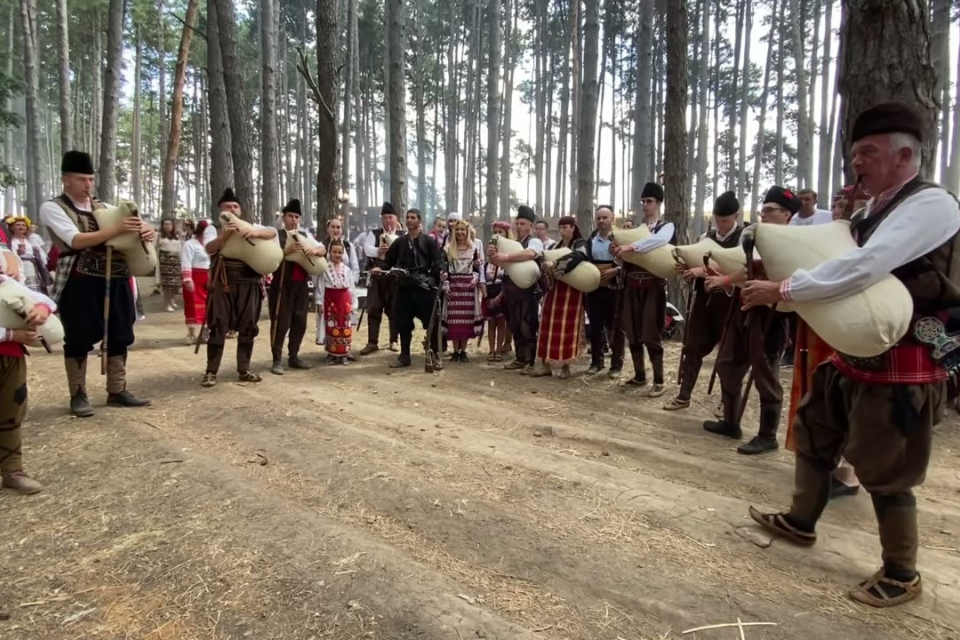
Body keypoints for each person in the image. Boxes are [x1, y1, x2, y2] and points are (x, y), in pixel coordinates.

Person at [743, 103, 960, 607]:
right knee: (815, 429)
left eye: (867, 152)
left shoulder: (933, 204)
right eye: (855, 153)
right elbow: (843, 255)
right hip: (856, 351)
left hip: (905, 355)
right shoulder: (871, 210)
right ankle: (801, 520)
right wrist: (841, 224)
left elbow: (867, 265)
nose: (856, 163)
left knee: (886, 465)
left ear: (904, 153)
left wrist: (786, 289)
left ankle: (902, 572)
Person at [39, 150, 154, 417]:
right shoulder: (54, 207)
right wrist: (118, 229)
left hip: (117, 277)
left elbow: (135, 232)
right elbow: (75, 240)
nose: (88, 185)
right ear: (65, 179)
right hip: (80, 280)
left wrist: (148, 231)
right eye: (81, 179)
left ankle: (117, 389)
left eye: (90, 179)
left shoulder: (105, 208)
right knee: (78, 336)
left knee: (120, 333)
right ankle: (78, 395)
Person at [701, 186, 795, 454]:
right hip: (743, 310)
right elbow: (747, 270)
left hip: (772, 315)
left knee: (765, 374)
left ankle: (767, 436)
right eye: (762, 209)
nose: (762, 214)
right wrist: (725, 280)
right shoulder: (757, 237)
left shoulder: (795, 242)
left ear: (787, 214)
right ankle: (731, 423)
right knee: (727, 365)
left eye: (769, 210)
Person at [664, 192, 744, 411]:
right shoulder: (705, 238)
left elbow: (742, 267)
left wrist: (704, 269)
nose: (720, 223)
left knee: (728, 355)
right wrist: (688, 269)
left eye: (725, 219)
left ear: (736, 215)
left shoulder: (744, 237)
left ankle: (726, 403)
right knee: (692, 347)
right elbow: (694, 263)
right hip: (704, 301)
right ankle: (684, 395)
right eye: (717, 218)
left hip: (730, 303)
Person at [201, 188, 277, 387]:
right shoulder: (213, 228)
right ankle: (211, 371)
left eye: (235, 206)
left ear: (240, 210)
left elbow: (272, 232)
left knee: (248, 327)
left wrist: (253, 232)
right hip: (223, 283)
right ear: (220, 210)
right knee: (217, 326)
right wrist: (224, 237)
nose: (232, 209)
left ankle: (244, 369)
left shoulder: (251, 226)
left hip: (249, 284)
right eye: (228, 206)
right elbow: (209, 249)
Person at [611, 182, 675, 396]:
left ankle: (658, 380)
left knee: (650, 333)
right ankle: (640, 375)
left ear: (659, 203)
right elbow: (622, 262)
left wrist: (631, 247)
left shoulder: (666, 227)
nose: (645, 205)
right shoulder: (634, 230)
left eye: (649, 201)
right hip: (630, 286)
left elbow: (659, 241)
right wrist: (618, 253)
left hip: (652, 288)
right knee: (632, 332)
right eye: (643, 201)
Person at [0, 251, 56, 495]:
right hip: (11, 344)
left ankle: (13, 471)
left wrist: (42, 309)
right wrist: (11, 335)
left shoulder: (6, 283)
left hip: (11, 358)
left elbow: (45, 300)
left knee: (12, 411)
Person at [373, 208, 443, 369]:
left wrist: (433, 278)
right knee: (403, 323)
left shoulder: (429, 241)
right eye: (408, 217)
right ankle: (404, 356)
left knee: (431, 323)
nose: (409, 220)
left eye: (413, 217)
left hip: (424, 288)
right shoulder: (400, 242)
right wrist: (379, 268)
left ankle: (433, 355)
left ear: (419, 221)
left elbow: (438, 263)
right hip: (404, 287)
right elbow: (387, 262)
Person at [269, 199, 324, 375]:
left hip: (301, 285)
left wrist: (314, 251)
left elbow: (323, 249)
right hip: (282, 284)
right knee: (281, 322)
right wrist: (286, 252)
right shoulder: (277, 235)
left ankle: (293, 357)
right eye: (290, 216)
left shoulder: (305, 235)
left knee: (300, 321)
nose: (294, 220)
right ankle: (277, 359)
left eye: (296, 217)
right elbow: (270, 257)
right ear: (283, 217)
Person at [488, 205, 544, 373]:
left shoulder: (534, 241)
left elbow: (530, 254)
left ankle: (531, 361)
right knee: (514, 325)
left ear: (531, 226)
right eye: (517, 223)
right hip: (510, 291)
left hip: (528, 292)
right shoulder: (512, 243)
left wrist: (506, 256)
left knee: (528, 326)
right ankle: (520, 358)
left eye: (523, 223)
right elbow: (499, 264)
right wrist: (493, 254)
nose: (519, 226)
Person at [531, 216, 587, 379]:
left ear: (573, 228)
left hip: (572, 293)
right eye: (560, 227)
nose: (562, 230)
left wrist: (555, 264)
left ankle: (565, 366)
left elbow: (579, 257)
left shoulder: (580, 245)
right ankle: (544, 364)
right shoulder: (555, 246)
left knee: (569, 328)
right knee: (546, 327)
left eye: (565, 227)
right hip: (554, 291)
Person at [583, 206, 625, 377]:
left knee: (616, 328)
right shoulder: (590, 241)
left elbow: (630, 262)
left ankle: (616, 365)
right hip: (595, 290)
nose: (601, 221)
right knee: (595, 327)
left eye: (605, 217)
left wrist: (616, 270)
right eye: (598, 218)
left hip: (615, 290)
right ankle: (596, 362)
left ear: (612, 219)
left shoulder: (621, 240)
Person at [360, 202, 403, 354]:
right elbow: (367, 248)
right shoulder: (375, 233)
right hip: (377, 277)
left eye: (390, 217)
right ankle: (372, 342)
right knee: (373, 308)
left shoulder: (402, 235)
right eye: (385, 217)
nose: (388, 221)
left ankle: (394, 340)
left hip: (394, 278)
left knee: (394, 309)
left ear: (396, 218)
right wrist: (378, 251)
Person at [441, 219, 482, 361]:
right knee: (454, 320)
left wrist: (475, 279)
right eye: (456, 230)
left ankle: (463, 351)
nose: (459, 232)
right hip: (453, 286)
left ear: (467, 231)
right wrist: (446, 284)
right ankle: (455, 351)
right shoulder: (447, 249)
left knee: (466, 320)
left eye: (462, 230)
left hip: (468, 287)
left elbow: (477, 267)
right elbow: (443, 268)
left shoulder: (473, 248)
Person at [315, 217, 360, 347]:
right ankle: (332, 348)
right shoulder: (321, 246)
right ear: (328, 228)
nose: (335, 230)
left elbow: (354, 266)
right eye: (333, 227)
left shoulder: (348, 246)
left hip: (345, 288)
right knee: (330, 321)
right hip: (329, 292)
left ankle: (344, 348)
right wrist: (319, 299)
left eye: (338, 227)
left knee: (344, 321)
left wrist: (351, 288)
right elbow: (318, 270)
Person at [322, 239, 358, 364]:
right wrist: (319, 302)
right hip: (331, 301)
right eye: (334, 252)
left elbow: (352, 288)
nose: (337, 255)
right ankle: (332, 354)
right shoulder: (325, 269)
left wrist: (354, 303)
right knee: (332, 325)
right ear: (330, 252)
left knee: (345, 325)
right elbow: (321, 287)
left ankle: (344, 353)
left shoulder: (347, 270)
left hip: (345, 301)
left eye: (339, 252)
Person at [481, 222, 511, 361]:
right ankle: (491, 350)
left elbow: (507, 279)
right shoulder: (485, 265)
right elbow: (482, 280)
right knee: (491, 323)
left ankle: (499, 350)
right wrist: (487, 298)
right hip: (489, 294)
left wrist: (500, 297)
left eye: (501, 232)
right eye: (496, 232)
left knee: (501, 322)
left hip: (502, 294)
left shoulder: (506, 262)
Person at [180, 220, 212, 345]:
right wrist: (188, 279)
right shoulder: (190, 244)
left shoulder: (212, 244)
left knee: (209, 305)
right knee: (192, 305)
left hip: (209, 277)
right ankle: (191, 334)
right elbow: (186, 261)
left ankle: (205, 333)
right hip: (195, 277)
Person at [5, 215, 50, 294]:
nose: (21, 227)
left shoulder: (30, 239)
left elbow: (39, 254)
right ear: (12, 227)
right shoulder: (9, 241)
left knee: (35, 288)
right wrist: (16, 254)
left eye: (23, 225)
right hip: (17, 266)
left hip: (32, 266)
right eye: (18, 225)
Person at [157, 218, 182, 312]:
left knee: (175, 283)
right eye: (165, 224)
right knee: (167, 285)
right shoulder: (159, 236)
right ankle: (167, 303)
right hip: (165, 262)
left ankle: (172, 300)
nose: (168, 226)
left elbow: (180, 248)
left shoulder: (177, 236)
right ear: (163, 225)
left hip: (175, 262)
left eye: (169, 224)